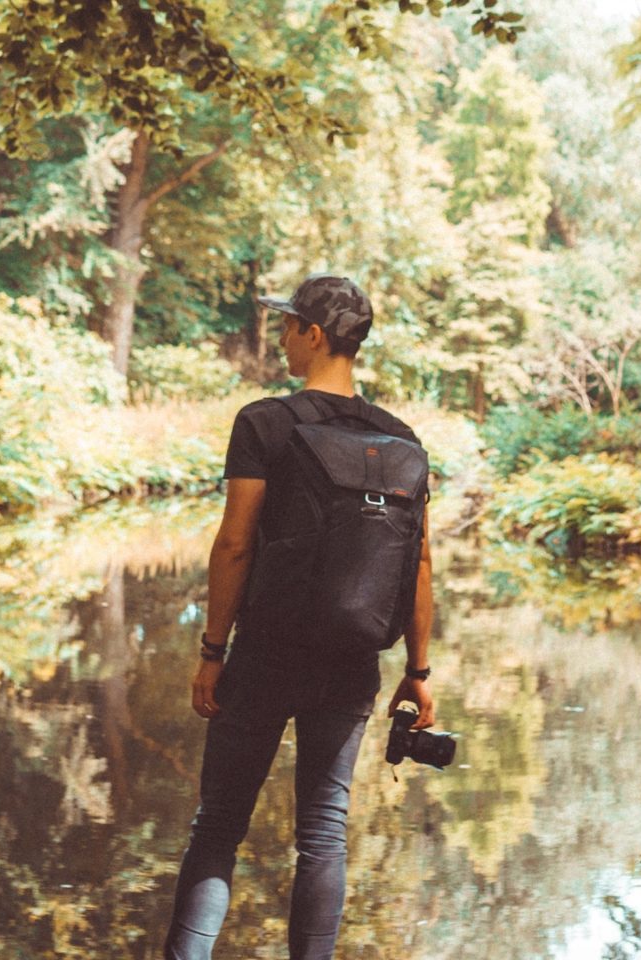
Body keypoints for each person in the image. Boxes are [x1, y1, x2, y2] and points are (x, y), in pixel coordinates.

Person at [162, 274, 437, 960]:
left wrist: (211, 650)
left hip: (265, 655)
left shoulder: (266, 422)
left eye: (289, 326)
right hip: (352, 664)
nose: (281, 337)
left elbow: (233, 543)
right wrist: (420, 672)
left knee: (220, 824)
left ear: (315, 335)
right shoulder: (400, 439)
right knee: (322, 830)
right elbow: (421, 565)